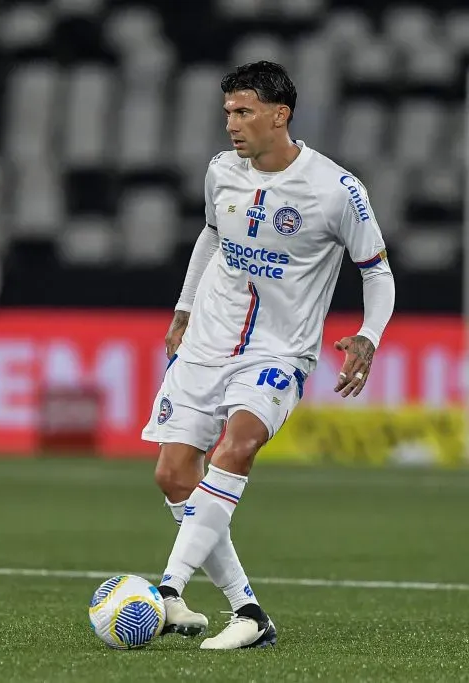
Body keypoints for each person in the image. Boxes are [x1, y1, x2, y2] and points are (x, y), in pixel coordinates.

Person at [141, 61, 395, 650]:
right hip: (208, 337)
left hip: (280, 349)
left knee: (240, 442)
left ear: (280, 116)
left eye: (244, 111)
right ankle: (248, 613)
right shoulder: (221, 171)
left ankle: (164, 591)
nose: (231, 123)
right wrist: (182, 310)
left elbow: (376, 271)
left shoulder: (336, 190)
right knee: (174, 474)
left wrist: (369, 334)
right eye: (228, 111)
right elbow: (211, 234)